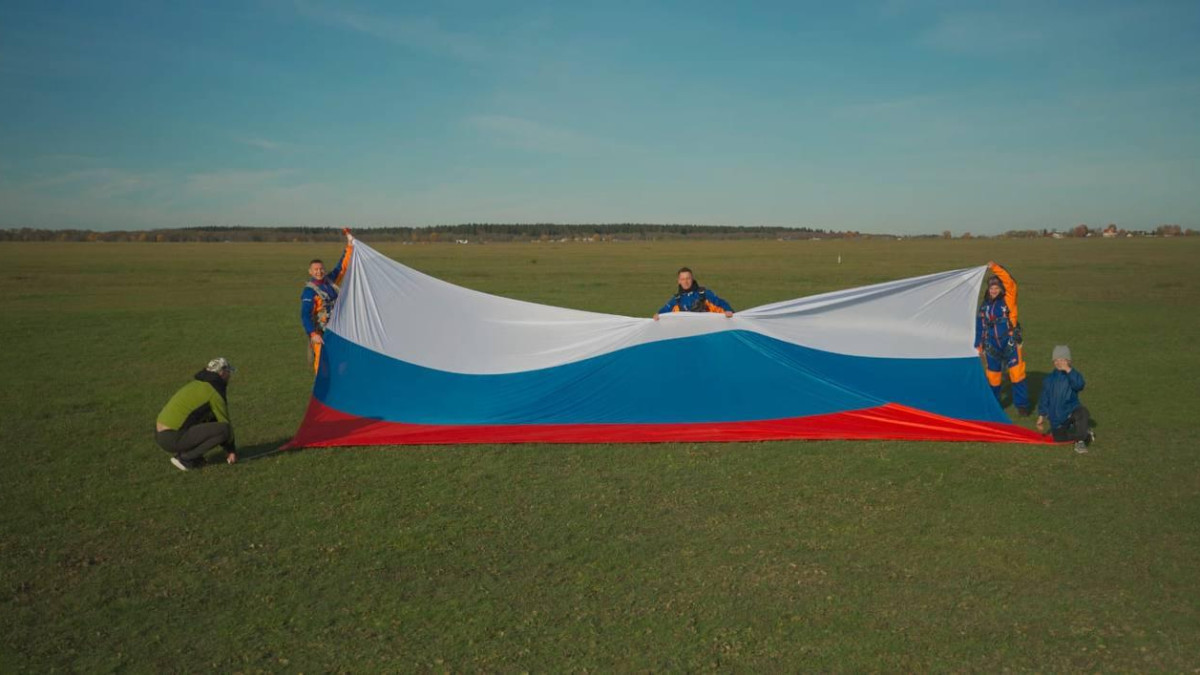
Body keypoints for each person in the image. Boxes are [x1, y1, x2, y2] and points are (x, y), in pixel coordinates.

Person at [155, 357, 237, 471]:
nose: (229, 376)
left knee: (206, 420)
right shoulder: (214, 391)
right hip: (172, 437)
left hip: (160, 434)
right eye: (228, 372)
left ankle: (192, 456)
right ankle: (185, 459)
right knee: (225, 430)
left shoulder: (197, 383)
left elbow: (212, 419)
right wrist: (231, 450)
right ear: (222, 373)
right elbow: (224, 422)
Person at [974, 261, 1029, 414]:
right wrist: (978, 343)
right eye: (991, 288)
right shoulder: (984, 306)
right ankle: (994, 406)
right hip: (991, 346)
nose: (993, 290)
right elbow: (980, 325)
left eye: (996, 288)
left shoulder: (1008, 300)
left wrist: (995, 268)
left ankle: (1022, 406)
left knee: (1017, 374)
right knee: (993, 377)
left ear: (1001, 288)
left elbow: (1010, 283)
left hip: (1010, 343)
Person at [301, 229, 354, 372]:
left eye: (321, 269)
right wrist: (313, 334)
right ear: (310, 272)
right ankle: (322, 387)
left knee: (342, 361)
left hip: (337, 331)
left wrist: (349, 245)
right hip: (321, 334)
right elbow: (305, 315)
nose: (319, 272)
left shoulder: (330, 281)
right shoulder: (309, 292)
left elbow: (342, 266)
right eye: (315, 270)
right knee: (322, 364)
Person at [1036, 345, 1094, 453]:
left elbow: (1079, 385)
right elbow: (1044, 398)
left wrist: (1068, 370)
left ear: (1068, 361)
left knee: (1082, 412)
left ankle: (1080, 441)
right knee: (1058, 438)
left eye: (1062, 360)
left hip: (1071, 410)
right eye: (1056, 360)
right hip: (1057, 418)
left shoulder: (1072, 375)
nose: (1059, 363)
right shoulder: (1049, 379)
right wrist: (1041, 416)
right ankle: (1085, 434)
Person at [653, 267, 734, 319]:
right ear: (679, 281)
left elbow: (721, 303)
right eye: (683, 279)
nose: (685, 282)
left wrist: (728, 311)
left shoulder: (704, 294)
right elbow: (664, 312)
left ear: (692, 279)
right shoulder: (676, 300)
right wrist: (658, 315)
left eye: (688, 278)